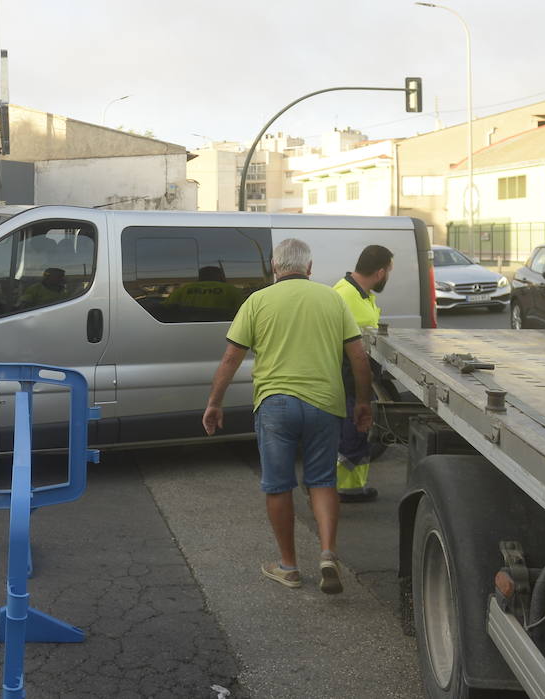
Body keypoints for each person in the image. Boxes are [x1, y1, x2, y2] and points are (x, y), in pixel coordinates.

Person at [201, 237, 373, 594]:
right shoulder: (332, 299)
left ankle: (289, 566)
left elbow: (231, 359)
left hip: (275, 404)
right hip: (325, 403)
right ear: (309, 268)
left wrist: (214, 403)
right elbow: (358, 357)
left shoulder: (257, 301)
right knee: (322, 481)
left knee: (278, 485)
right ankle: (327, 552)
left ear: (275, 269)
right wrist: (363, 403)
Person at [332, 245, 393, 503]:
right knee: (350, 435)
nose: (388, 276)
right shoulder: (345, 295)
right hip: (347, 380)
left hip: (357, 379)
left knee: (357, 434)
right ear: (380, 272)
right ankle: (343, 490)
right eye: (389, 271)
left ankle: (352, 486)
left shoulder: (363, 294)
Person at [164, 265, 248, 318]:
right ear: (220, 276)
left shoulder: (183, 289)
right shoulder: (231, 290)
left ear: (200, 276)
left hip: (186, 327)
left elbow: (166, 308)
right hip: (222, 328)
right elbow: (245, 313)